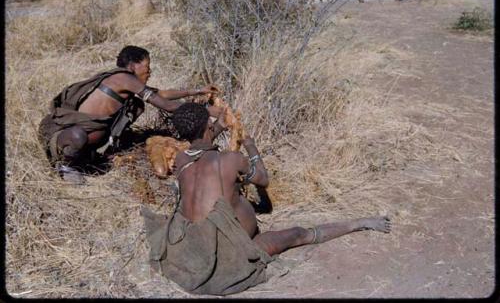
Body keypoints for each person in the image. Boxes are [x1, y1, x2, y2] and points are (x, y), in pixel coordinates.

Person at [141, 102, 392, 296]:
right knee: (297, 235)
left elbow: (203, 142)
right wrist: (251, 147)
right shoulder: (230, 159)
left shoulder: (182, 159)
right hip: (230, 249)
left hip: (189, 244)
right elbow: (263, 179)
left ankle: (362, 223)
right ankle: (360, 223)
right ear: (207, 126)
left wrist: (220, 123)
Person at [38, 45, 220, 183]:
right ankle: (65, 166)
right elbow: (165, 105)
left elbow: (162, 94)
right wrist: (206, 111)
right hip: (63, 139)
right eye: (147, 66)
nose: (149, 71)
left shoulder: (129, 83)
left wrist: (197, 91)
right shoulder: (123, 78)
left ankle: (83, 159)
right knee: (78, 136)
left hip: (88, 148)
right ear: (133, 66)